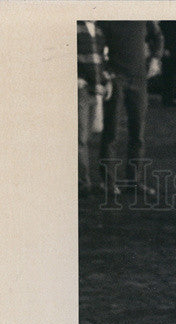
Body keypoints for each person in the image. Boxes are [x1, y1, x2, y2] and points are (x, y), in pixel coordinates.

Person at [98, 20, 164, 198]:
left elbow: (158, 36)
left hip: (139, 79)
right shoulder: (107, 18)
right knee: (111, 132)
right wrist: (105, 74)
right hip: (116, 78)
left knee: (138, 134)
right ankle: (108, 183)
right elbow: (97, 47)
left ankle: (133, 182)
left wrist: (156, 58)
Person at [77, 20, 105, 196]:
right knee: (80, 137)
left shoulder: (100, 32)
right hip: (80, 89)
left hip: (95, 89)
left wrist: (104, 81)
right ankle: (83, 182)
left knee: (87, 135)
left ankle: (83, 180)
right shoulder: (74, 28)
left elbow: (101, 60)